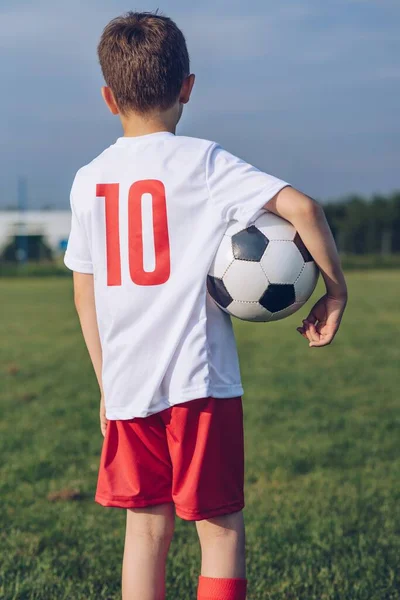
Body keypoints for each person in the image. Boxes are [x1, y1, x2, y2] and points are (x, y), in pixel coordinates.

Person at [64, 11, 348, 600]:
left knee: (144, 530)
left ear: (109, 98)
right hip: (200, 384)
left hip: (129, 386)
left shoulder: (89, 178)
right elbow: (305, 209)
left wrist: (104, 385)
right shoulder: (204, 162)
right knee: (218, 531)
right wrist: (335, 289)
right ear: (187, 87)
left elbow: (84, 289)